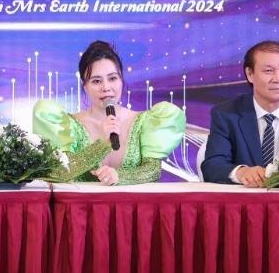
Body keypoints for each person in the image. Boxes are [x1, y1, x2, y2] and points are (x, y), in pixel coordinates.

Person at [32, 40, 185, 185]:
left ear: (121, 80)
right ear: (85, 86)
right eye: (96, 81)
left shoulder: (143, 122)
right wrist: (102, 145)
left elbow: (152, 171)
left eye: (112, 78)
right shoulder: (67, 126)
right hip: (82, 204)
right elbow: (59, 174)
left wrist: (120, 177)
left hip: (130, 203)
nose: (106, 87)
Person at [202, 40, 279, 186]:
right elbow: (212, 165)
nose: (278, 79)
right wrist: (241, 172)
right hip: (245, 198)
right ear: (250, 74)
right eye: (268, 71)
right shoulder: (226, 114)